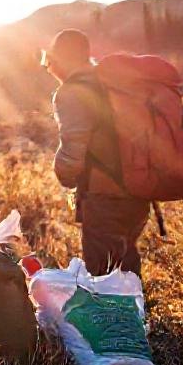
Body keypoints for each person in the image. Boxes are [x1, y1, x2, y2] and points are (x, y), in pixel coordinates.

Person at [45, 29, 150, 276]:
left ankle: (116, 302)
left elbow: (73, 148)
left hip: (104, 194)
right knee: (126, 261)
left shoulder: (72, 92)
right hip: (138, 188)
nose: (49, 67)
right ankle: (134, 300)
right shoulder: (111, 84)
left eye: (50, 60)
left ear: (61, 58)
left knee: (104, 272)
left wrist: (65, 176)